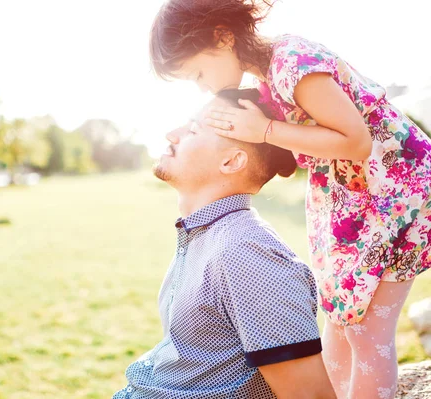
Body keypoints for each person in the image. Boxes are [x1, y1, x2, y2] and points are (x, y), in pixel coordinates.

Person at [148, 1, 431, 398]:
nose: (204, 87)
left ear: (223, 36)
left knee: (367, 329)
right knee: (338, 315)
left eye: (198, 73)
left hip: (394, 193)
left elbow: (356, 141)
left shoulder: (292, 62)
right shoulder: (266, 79)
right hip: (348, 195)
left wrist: (265, 130)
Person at [113, 88, 336, 399]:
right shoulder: (205, 235)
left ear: (232, 161)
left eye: (192, 130)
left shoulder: (247, 253)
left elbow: (311, 396)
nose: (171, 135)